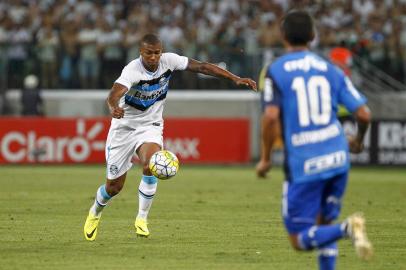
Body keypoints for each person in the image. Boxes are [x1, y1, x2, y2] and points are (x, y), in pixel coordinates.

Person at [84, 33, 257, 241]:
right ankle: (95, 212)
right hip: (124, 128)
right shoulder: (132, 70)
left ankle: (142, 218)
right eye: (149, 53)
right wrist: (113, 108)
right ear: (141, 52)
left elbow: (202, 67)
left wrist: (235, 78)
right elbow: (114, 93)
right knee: (114, 187)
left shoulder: (169, 60)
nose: (154, 57)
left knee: (151, 164)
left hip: (151, 125)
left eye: (157, 53)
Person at [256, 10, 373, 270]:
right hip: (338, 157)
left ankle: (348, 228)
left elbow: (270, 117)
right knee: (324, 225)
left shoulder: (275, 70)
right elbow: (364, 114)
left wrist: (265, 159)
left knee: (299, 239)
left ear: (283, 36)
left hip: (304, 162)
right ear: (312, 36)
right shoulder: (331, 70)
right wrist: (358, 141)